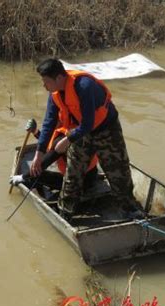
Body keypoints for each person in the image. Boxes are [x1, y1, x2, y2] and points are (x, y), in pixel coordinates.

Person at [33, 58, 143, 220]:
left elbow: (88, 123)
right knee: (73, 172)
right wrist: (39, 152)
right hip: (80, 132)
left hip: (106, 130)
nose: (44, 86)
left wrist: (67, 140)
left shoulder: (84, 86)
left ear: (58, 78)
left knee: (118, 171)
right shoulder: (55, 93)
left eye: (46, 82)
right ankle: (66, 210)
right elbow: (49, 122)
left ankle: (129, 210)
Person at [9, 118, 98, 192]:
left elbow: (44, 162)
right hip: (91, 175)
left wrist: (23, 177)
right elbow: (50, 143)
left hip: (79, 183)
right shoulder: (71, 131)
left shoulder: (62, 141)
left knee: (36, 175)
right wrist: (35, 132)